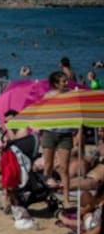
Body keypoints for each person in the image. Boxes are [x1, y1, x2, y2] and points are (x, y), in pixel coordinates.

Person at [41, 71, 74, 208]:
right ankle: (46, 196)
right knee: (48, 167)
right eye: (63, 81)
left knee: (64, 168)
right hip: (50, 132)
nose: (67, 83)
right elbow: (42, 114)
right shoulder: (48, 96)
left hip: (65, 134)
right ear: (55, 84)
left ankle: (66, 199)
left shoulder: (72, 95)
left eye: (67, 81)